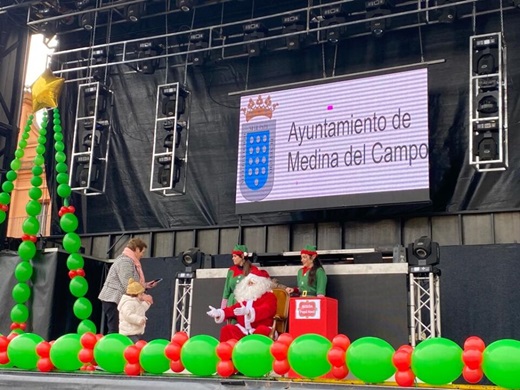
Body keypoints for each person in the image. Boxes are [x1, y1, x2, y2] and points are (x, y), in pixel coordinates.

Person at [98, 238, 158, 334]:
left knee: (118, 328)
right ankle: (112, 347)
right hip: (113, 299)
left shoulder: (128, 261)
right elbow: (128, 284)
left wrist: (146, 285)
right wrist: (143, 296)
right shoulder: (125, 262)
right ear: (137, 249)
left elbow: (131, 283)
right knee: (115, 329)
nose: (142, 255)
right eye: (142, 252)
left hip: (117, 299)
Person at [207, 268, 277, 342]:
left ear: (262, 285)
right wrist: (219, 312)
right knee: (227, 329)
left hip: (259, 328)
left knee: (261, 330)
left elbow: (267, 309)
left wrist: (249, 312)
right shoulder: (246, 297)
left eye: (252, 283)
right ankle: (226, 352)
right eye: (248, 283)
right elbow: (233, 309)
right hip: (243, 330)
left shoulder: (269, 296)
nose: (249, 286)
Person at [220, 244, 259, 309]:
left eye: (235, 256)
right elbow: (226, 291)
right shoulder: (231, 270)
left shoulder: (253, 270)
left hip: (246, 304)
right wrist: (222, 310)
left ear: (242, 256)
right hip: (232, 303)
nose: (233, 258)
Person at [118, 278, 151, 343]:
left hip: (136, 332)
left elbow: (142, 308)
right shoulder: (128, 303)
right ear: (136, 294)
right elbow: (128, 315)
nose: (143, 295)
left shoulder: (137, 302)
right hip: (129, 333)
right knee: (134, 347)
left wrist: (148, 302)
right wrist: (139, 319)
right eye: (141, 294)